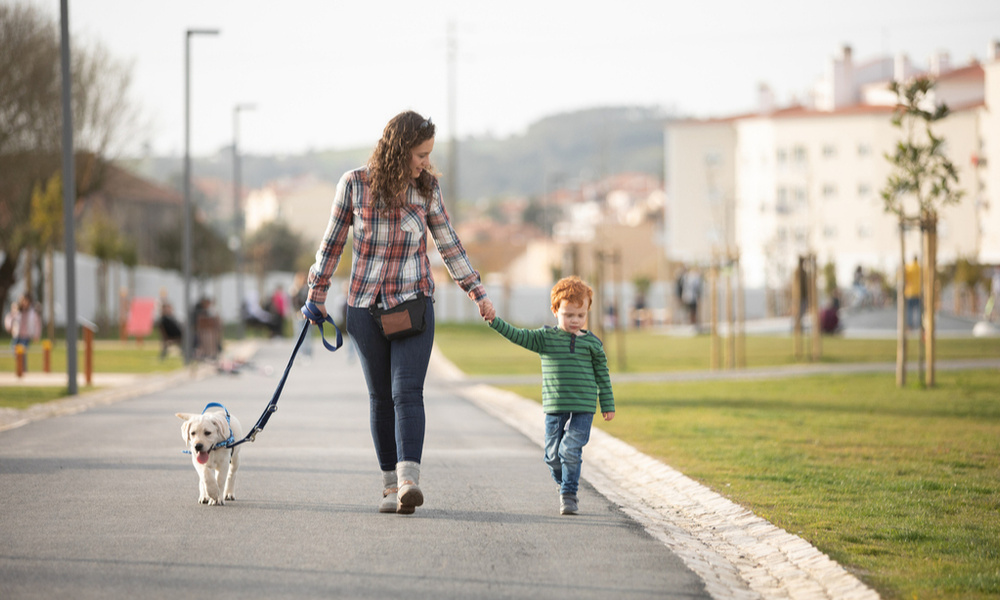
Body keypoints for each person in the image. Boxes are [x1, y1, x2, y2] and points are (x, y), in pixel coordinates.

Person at [301, 110, 495, 515]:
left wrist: (476, 291)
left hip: (412, 305)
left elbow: (448, 244)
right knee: (380, 399)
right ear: (399, 148)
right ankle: (390, 486)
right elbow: (332, 244)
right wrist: (316, 294)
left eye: (428, 154)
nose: (426, 161)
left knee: (407, 391)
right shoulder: (354, 184)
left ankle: (409, 481)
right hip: (365, 309)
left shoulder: (427, 190)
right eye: (420, 154)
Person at [486, 276, 615, 515]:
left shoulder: (593, 345)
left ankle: (569, 493)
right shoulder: (545, 339)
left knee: (570, 450)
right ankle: (563, 481)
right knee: (552, 456)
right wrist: (495, 321)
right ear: (555, 311)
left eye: (580, 315)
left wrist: (607, 404)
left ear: (587, 312)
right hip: (555, 406)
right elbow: (517, 335)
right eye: (569, 315)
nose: (575, 320)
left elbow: (603, 377)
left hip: (583, 407)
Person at [4, 293, 41, 371]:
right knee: (14, 350)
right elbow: (9, 318)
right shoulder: (17, 311)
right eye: (23, 301)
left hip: (26, 336)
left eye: (26, 301)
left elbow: (37, 324)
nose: (24, 303)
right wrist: (9, 327)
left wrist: (36, 335)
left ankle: (23, 369)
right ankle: (21, 367)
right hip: (17, 335)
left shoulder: (32, 313)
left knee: (22, 353)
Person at [904, 255, 921, 330]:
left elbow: (905, 277)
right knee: (918, 310)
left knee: (910, 310)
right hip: (918, 292)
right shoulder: (920, 268)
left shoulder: (909, 268)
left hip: (910, 292)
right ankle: (919, 324)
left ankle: (910, 325)